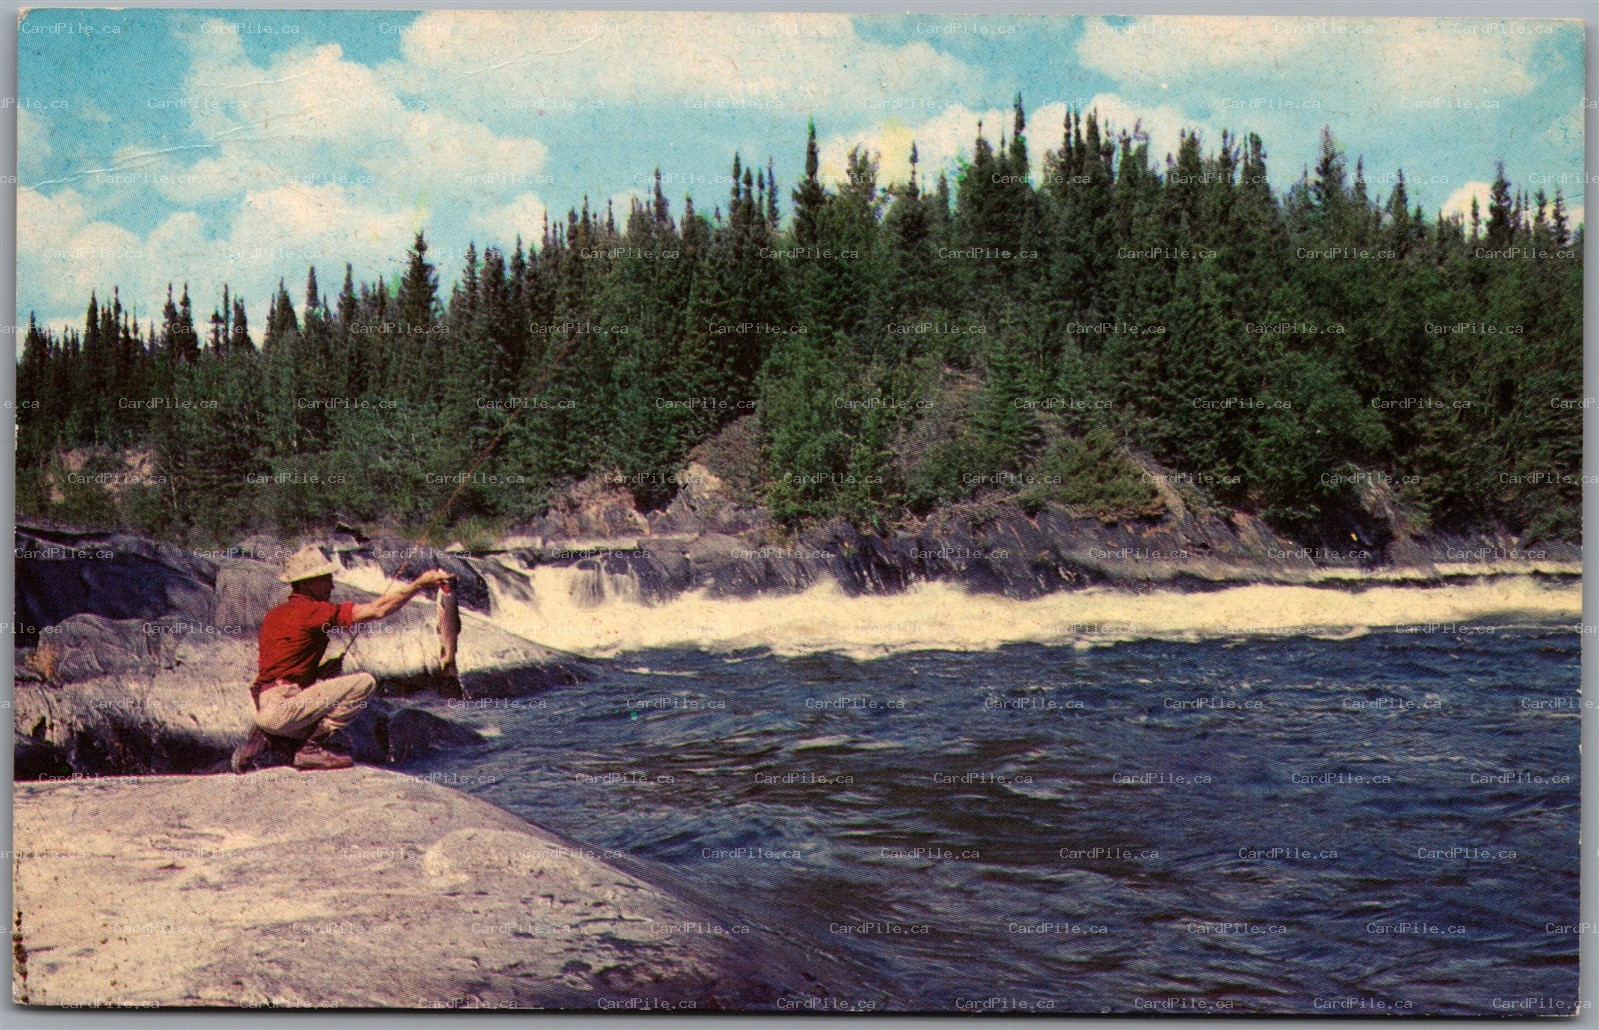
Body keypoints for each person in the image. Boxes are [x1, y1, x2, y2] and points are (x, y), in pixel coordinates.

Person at [232, 546, 453, 772]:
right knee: (364, 683)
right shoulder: (312, 611)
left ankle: (263, 744)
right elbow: (378, 610)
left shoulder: (274, 615)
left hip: (263, 705)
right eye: (326, 578)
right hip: (284, 708)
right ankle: (309, 750)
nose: (332, 585)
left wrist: (319, 672)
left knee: (315, 690)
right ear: (308, 582)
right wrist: (418, 585)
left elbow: (279, 666)